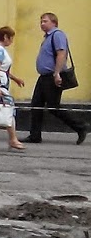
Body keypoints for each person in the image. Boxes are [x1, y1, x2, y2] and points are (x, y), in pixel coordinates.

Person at [24, 12, 85, 145]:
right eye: (41, 21)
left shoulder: (57, 35)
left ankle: (80, 127)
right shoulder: (47, 37)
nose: (42, 24)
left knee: (53, 106)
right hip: (44, 77)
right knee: (36, 105)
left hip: (52, 76)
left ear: (54, 22)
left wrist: (56, 73)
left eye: (45, 21)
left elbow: (61, 54)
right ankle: (35, 135)